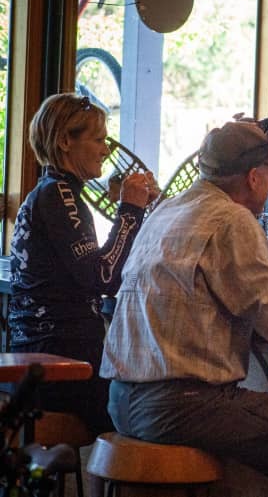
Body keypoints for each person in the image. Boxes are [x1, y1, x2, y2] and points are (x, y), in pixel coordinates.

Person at [100, 121, 268, 497]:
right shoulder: (232, 219)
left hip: (123, 401)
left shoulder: (166, 212)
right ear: (254, 177)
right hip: (184, 406)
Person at [8, 93, 158, 435]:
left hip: (43, 358)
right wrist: (130, 211)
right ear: (65, 142)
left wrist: (132, 214)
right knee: (152, 419)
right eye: (99, 139)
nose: (107, 150)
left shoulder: (54, 192)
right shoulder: (59, 195)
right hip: (58, 362)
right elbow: (103, 276)